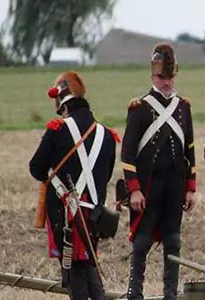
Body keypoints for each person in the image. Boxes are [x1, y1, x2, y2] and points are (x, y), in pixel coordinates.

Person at [29, 71, 118, 300]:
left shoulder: (57, 129)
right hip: (94, 216)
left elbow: (36, 169)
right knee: (88, 266)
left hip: (65, 214)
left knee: (74, 275)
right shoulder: (106, 135)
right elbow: (106, 175)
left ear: (62, 103)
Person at [120, 43, 197, 300]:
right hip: (148, 185)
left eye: (170, 77)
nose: (167, 82)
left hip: (174, 185)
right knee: (141, 242)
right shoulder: (139, 107)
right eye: (162, 77)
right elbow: (128, 154)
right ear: (152, 77)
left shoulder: (183, 107)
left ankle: (170, 295)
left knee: (173, 241)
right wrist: (134, 189)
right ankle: (135, 293)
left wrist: (190, 188)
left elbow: (190, 150)